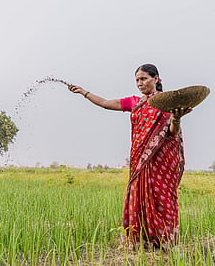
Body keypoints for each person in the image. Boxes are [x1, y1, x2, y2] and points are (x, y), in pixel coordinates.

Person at [67, 64, 192, 249]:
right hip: (140, 162)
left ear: (156, 79)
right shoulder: (135, 102)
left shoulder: (166, 103)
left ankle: (164, 242)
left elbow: (172, 133)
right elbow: (105, 103)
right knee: (140, 197)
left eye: (144, 79)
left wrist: (176, 119)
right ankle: (141, 242)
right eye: (137, 80)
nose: (140, 83)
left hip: (161, 162)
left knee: (162, 198)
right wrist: (84, 92)